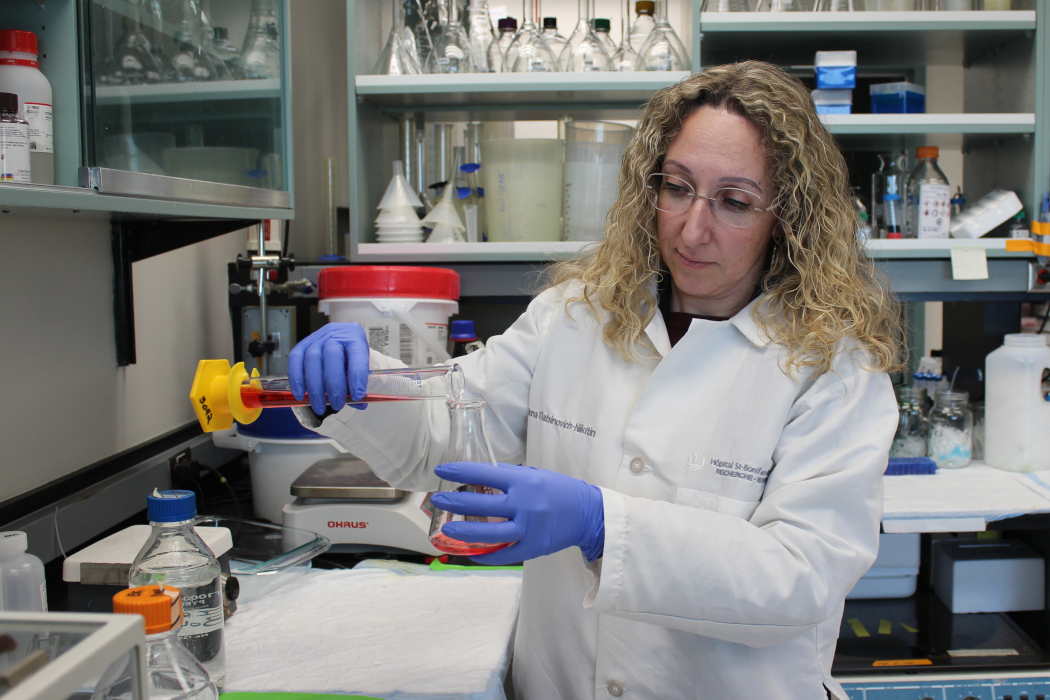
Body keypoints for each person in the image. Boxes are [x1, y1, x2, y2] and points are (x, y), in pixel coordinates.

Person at [288, 61, 904, 700]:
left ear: (788, 216)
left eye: (735, 202)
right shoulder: (576, 316)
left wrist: (603, 524)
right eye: (678, 187)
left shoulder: (833, 370)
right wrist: (362, 386)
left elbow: (798, 579)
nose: (693, 229)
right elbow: (449, 432)